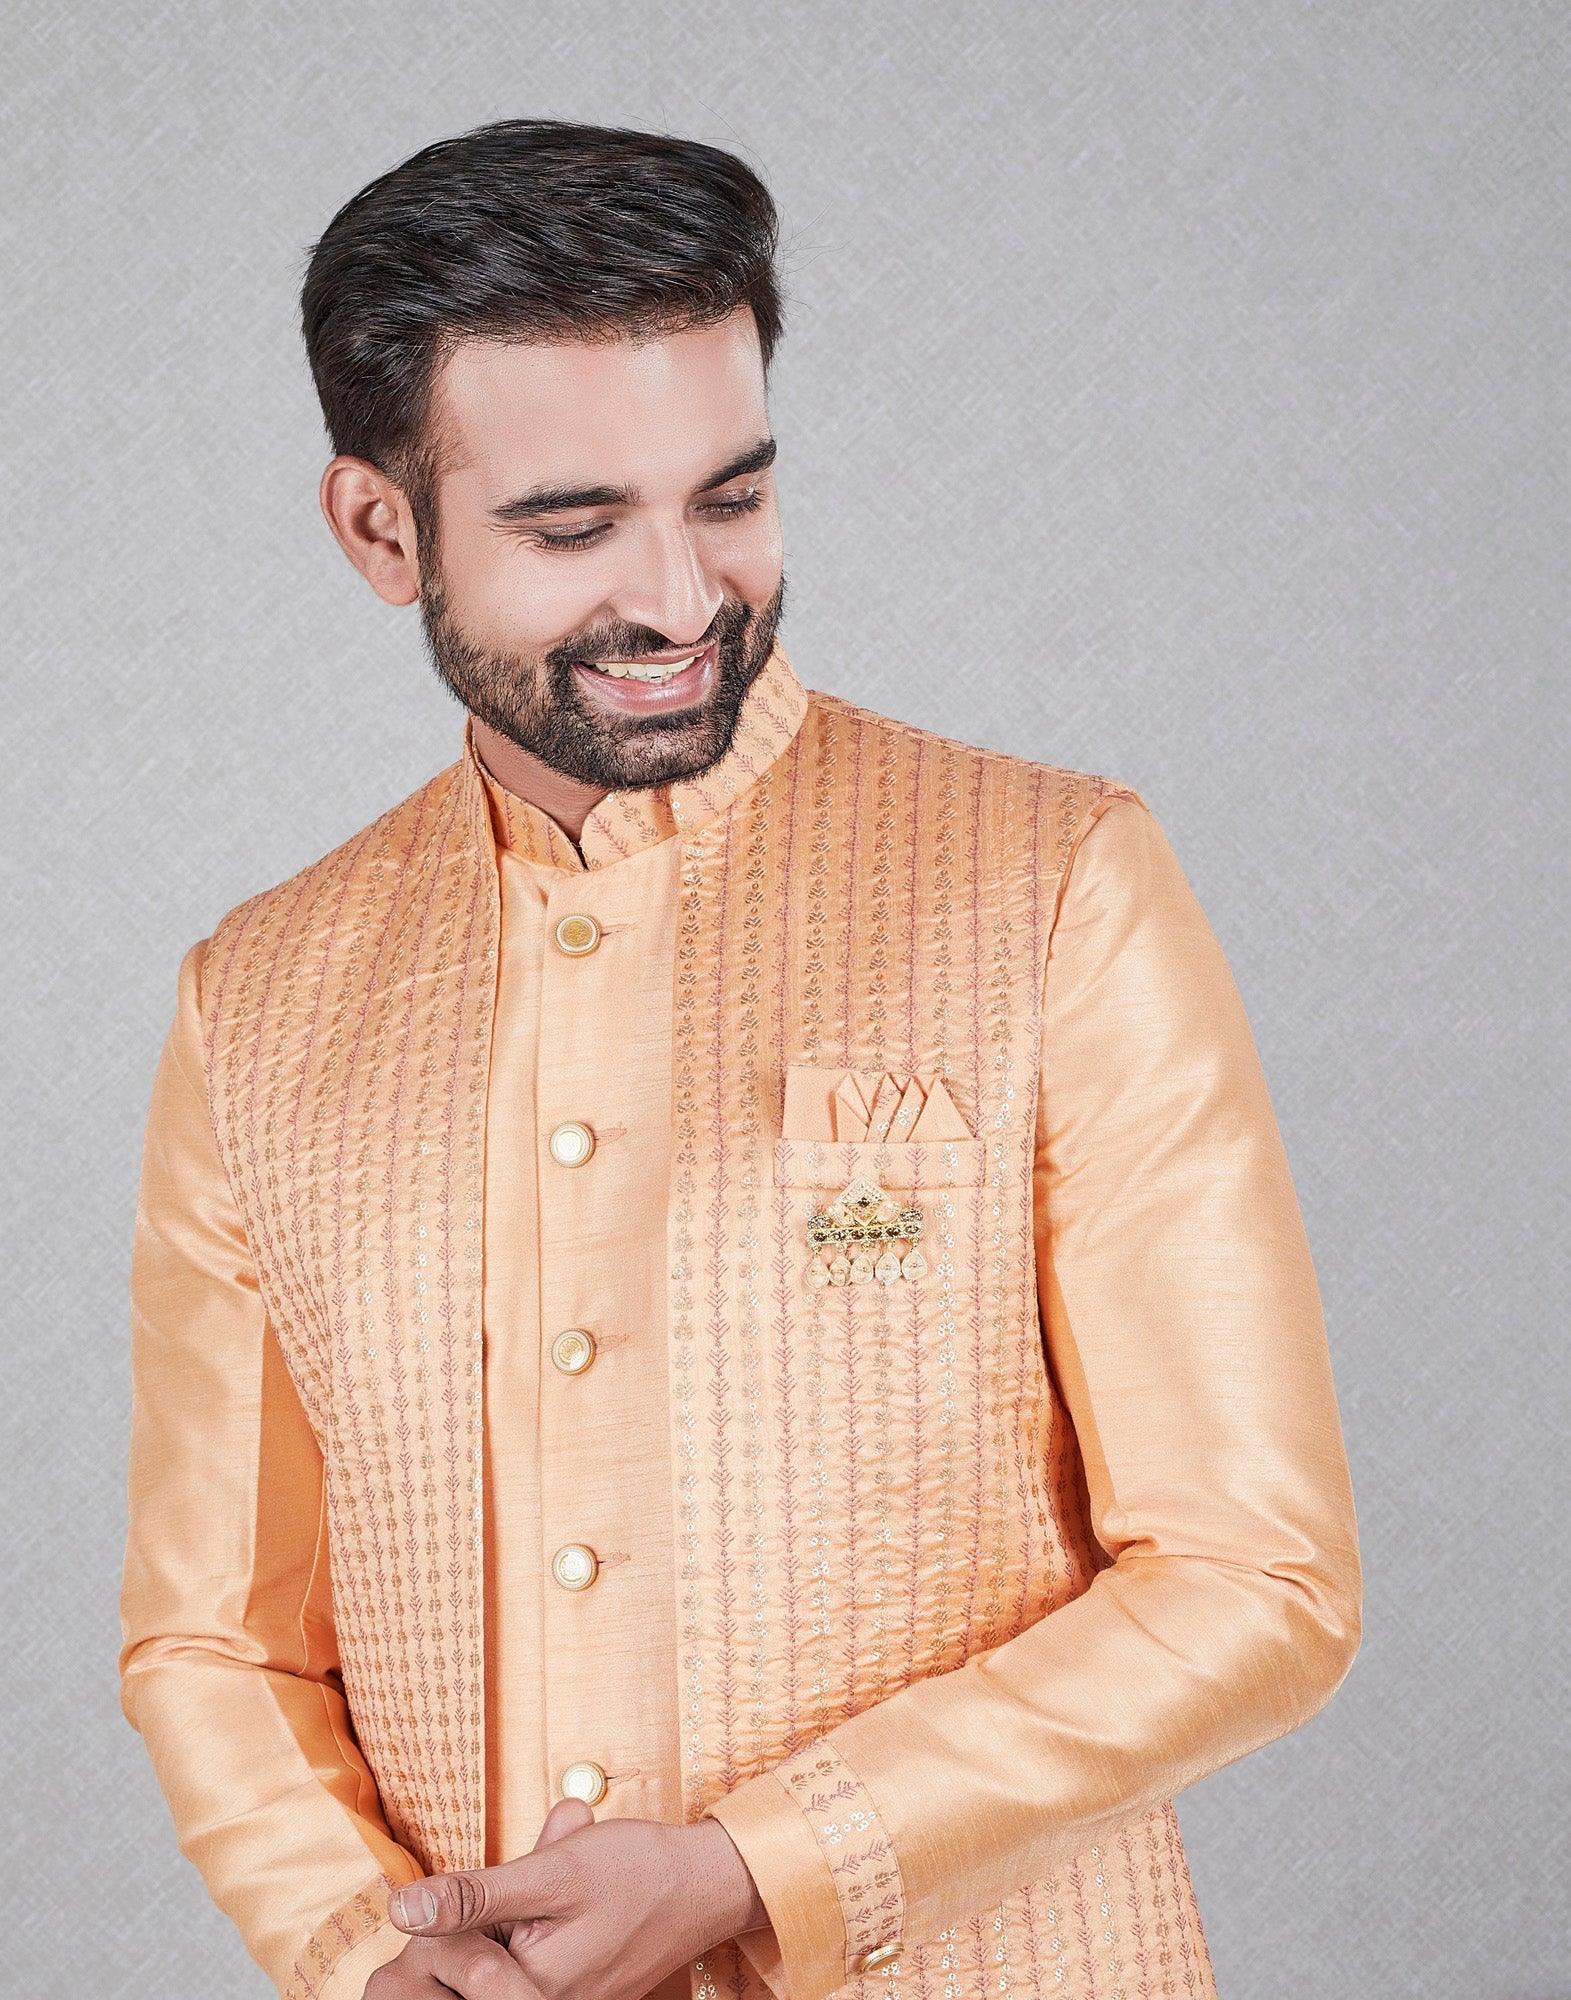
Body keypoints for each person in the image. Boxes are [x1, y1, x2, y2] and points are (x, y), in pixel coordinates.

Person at [118, 117, 1362, 2000]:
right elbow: (218, 1640)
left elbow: (1255, 1576)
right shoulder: (263, 1002)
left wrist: (762, 1868)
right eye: (572, 529)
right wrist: (362, 1949)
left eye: (732, 497)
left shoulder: (1047, 883)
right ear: (381, 529)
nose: (685, 596)